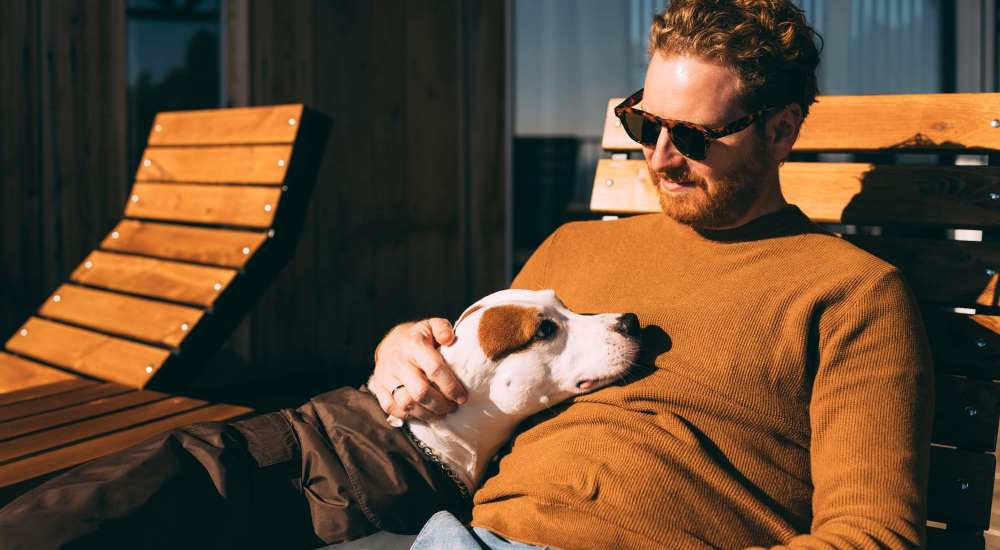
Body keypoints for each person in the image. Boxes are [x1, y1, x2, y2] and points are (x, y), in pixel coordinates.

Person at [369, 0, 934, 548]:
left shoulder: (850, 293)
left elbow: (871, 535)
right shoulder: (573, 247)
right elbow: (467, 395)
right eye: (644, 123)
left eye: (693, 137)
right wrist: (400, 352)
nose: (660, 156)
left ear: (781, 132)